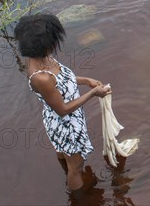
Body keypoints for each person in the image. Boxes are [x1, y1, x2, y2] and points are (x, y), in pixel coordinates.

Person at [13, 14, 111, 192]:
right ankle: (79, 197)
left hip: (64, 117)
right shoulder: (41, 78)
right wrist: (93, 93)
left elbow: (64, 79)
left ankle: (64, 160)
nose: (54, 46)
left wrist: (86, 80)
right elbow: (63, 110)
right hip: (65, 123)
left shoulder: (42, 57)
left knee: (64, 152)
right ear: (43, 46)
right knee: (77, 167)